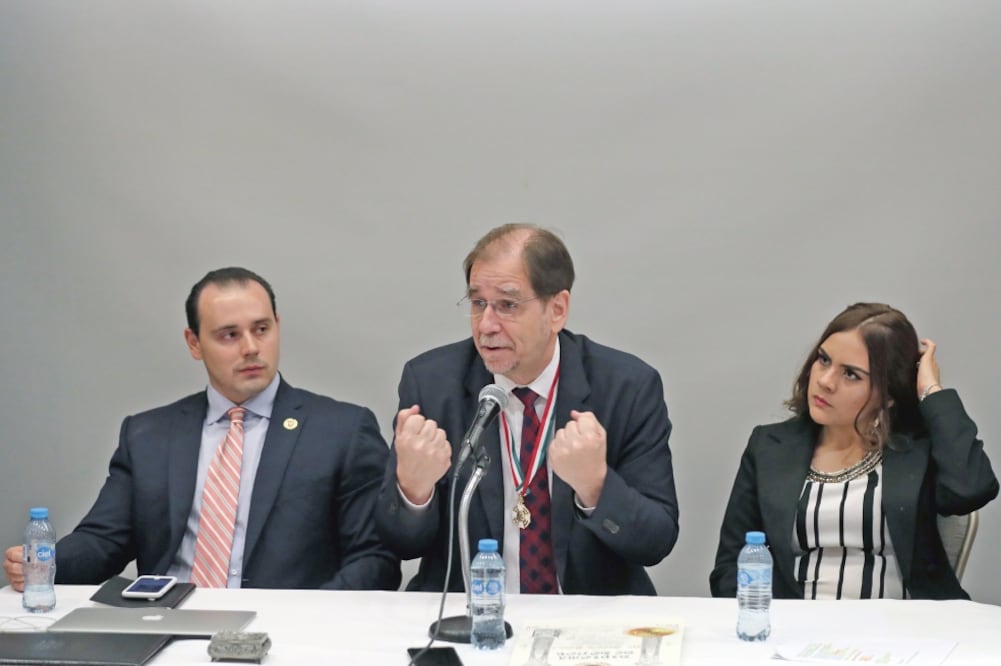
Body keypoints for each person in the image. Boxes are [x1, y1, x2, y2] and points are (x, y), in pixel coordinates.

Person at [3, 267, 400, 591]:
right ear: (194, 343)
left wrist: (304, 617)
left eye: (261, 329)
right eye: (229, 335)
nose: (250, 347)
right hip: (164, 626)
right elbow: (104, 541)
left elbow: (375, 560)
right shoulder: (148, 436)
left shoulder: (341, 431)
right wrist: (46, 562)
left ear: (278, 326)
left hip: (286, 635)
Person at [375, 224, 678, 595]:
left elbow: (656, 542)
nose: (486, 325)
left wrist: (595, 487)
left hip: (588, 622)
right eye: (477, 303)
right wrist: (413, 491)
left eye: (507, 305)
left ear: (557, 310)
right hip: (469, 617)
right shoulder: (432, 384)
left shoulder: (626, 387)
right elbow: (399, 545)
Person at [710, 302, 998, 600]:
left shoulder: (917, 451)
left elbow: (971, 489)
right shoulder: (769, 446)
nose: (825, 381)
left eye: (850, 374)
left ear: (888, 395)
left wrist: (930, 390)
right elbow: (731, 565)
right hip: (796, 634)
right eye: (823, 360)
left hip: (904, 634)